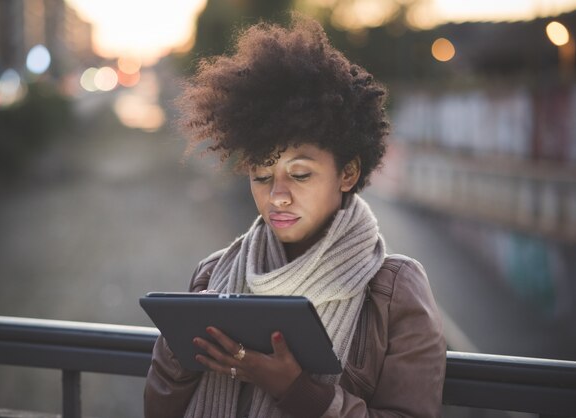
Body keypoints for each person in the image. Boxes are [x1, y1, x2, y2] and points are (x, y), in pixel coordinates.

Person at [144, 14, 446, 418]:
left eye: (300, 174)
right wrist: (181, 348)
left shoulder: (395, 292)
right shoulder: (212, 275)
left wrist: (296, 391)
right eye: (261, 175)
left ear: (348, 173)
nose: (278, 196)